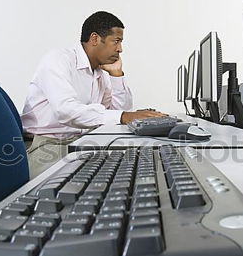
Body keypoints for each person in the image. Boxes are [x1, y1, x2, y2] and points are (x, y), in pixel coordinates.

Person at [21, 11, 164, 178]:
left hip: (79, 142)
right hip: (45, 146)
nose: (120, 49)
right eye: (116, 41)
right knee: (104, 177)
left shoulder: (100, 73)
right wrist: (124, 116)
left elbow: (116, 113)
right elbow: (65, 111)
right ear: (95, 39)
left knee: (129, 167)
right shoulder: (58, 60)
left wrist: (117, 76)